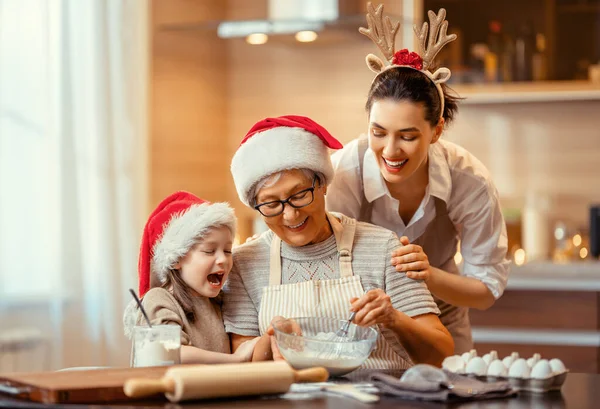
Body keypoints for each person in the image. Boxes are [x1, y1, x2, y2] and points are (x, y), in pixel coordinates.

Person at [325, 4, 510, 354]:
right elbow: (326, 260)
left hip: (442, 326)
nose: (390, 150)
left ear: (436, 131)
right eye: (378, 132)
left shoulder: (469, 181)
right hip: (361, 322)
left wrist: (428, 276)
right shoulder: (346, 170)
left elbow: (485, 291)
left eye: (407, 136)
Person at [223, 115, 454, 370]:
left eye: (299, 195)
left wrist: (394, 319)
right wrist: (274, 338)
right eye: (271, 204)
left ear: (322, 184)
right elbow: (241, 363)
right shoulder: (244, 263)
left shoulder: (383, 248)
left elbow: (441, 355)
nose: (290, 215)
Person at [124, 191, 258, 363]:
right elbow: (170, 353)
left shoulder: (217, 302)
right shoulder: (159, 299)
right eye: (209, 251)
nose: (223, 259)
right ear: (176, 259)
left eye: (227, 250)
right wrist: (235, 359)